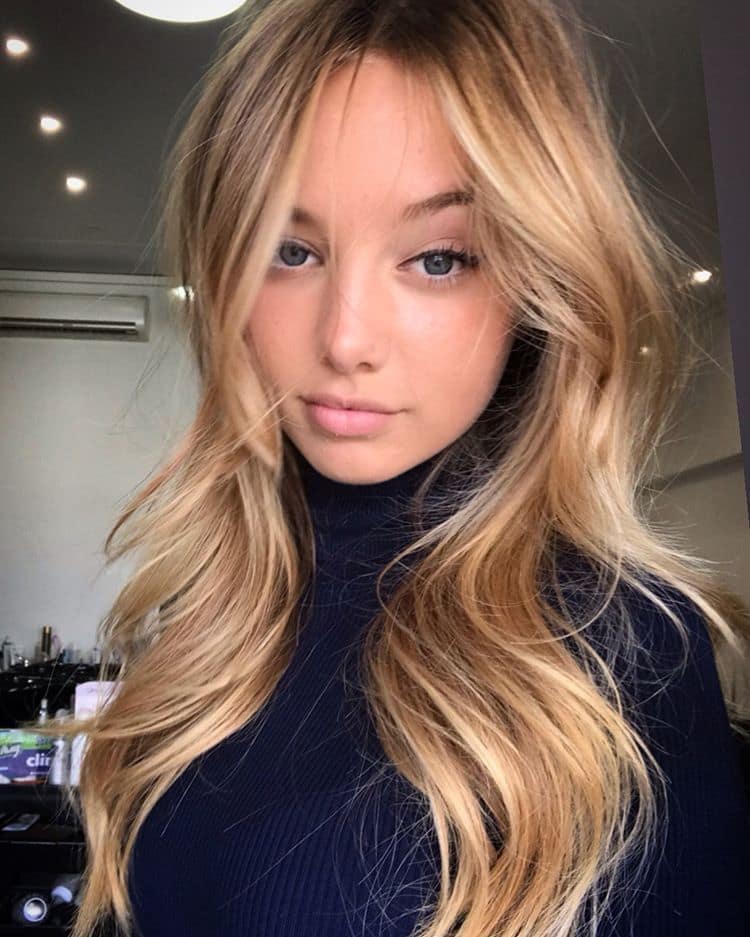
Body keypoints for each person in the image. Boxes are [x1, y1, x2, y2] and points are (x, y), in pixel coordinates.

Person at [50, 1, 750, 935]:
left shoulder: (627, 648)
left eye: (437, 259)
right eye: (290, 250)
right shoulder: (208, 622)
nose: (345, 339)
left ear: (538, 280)